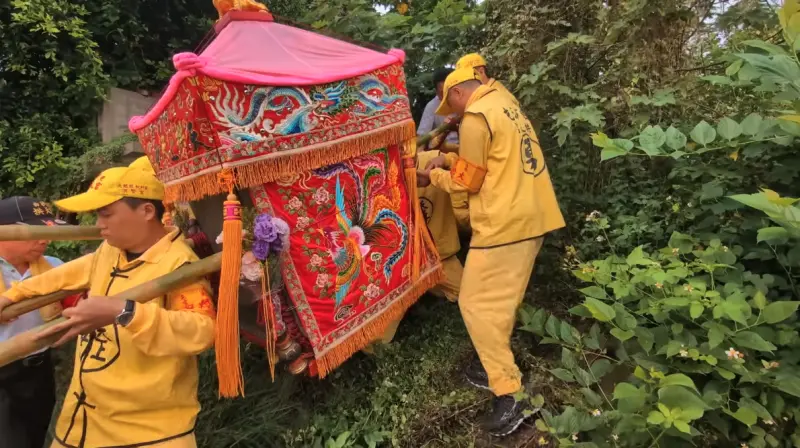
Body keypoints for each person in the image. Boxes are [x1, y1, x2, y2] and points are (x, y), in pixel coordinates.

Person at [0, 159, 216, 448]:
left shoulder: (179, 264)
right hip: (80, 423)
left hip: (147, 433)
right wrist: (11, 296)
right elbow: (66, 274)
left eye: (106, 214)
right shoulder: (109, 250)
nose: (99, 225)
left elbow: (201, 331)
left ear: (147, 211)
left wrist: (124, 312)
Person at [420, 68, 565, 437]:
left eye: (447, 103)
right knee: (500, 304)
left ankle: (509, 392)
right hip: (534, 216)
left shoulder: (475, 117)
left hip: (504, 225)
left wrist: (433, 175)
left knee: (474, 302)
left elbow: (469, 181)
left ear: (455, 94)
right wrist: (450, 160)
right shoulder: (505, 103)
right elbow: (495, 161)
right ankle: (493, 363)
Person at [365, 149, 465, 351]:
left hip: (440, 258)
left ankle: (432, 289)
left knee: (473, 296)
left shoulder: (433, 159)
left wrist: (443, 162)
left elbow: (465, 170)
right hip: (402, 268)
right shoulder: (376, 174)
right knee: (376, 341)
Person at [0, 197, 79, 448]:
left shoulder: (54, 268)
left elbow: (77, 305)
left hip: (36, 372)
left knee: (33, 437)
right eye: (36, 232)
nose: (44, 240)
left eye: (47, 232)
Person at [417, 67, 459, 151]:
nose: (446, 97)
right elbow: (422, 136)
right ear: (436, 91)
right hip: (443, 150)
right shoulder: (431, 106)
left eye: (449, 92)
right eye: (442, 93)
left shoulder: (463, 101)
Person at [455, 53, 519, 105]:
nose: (463, 80)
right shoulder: (483, 91)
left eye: (466, 75)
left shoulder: (496, 94)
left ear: (481, 72)